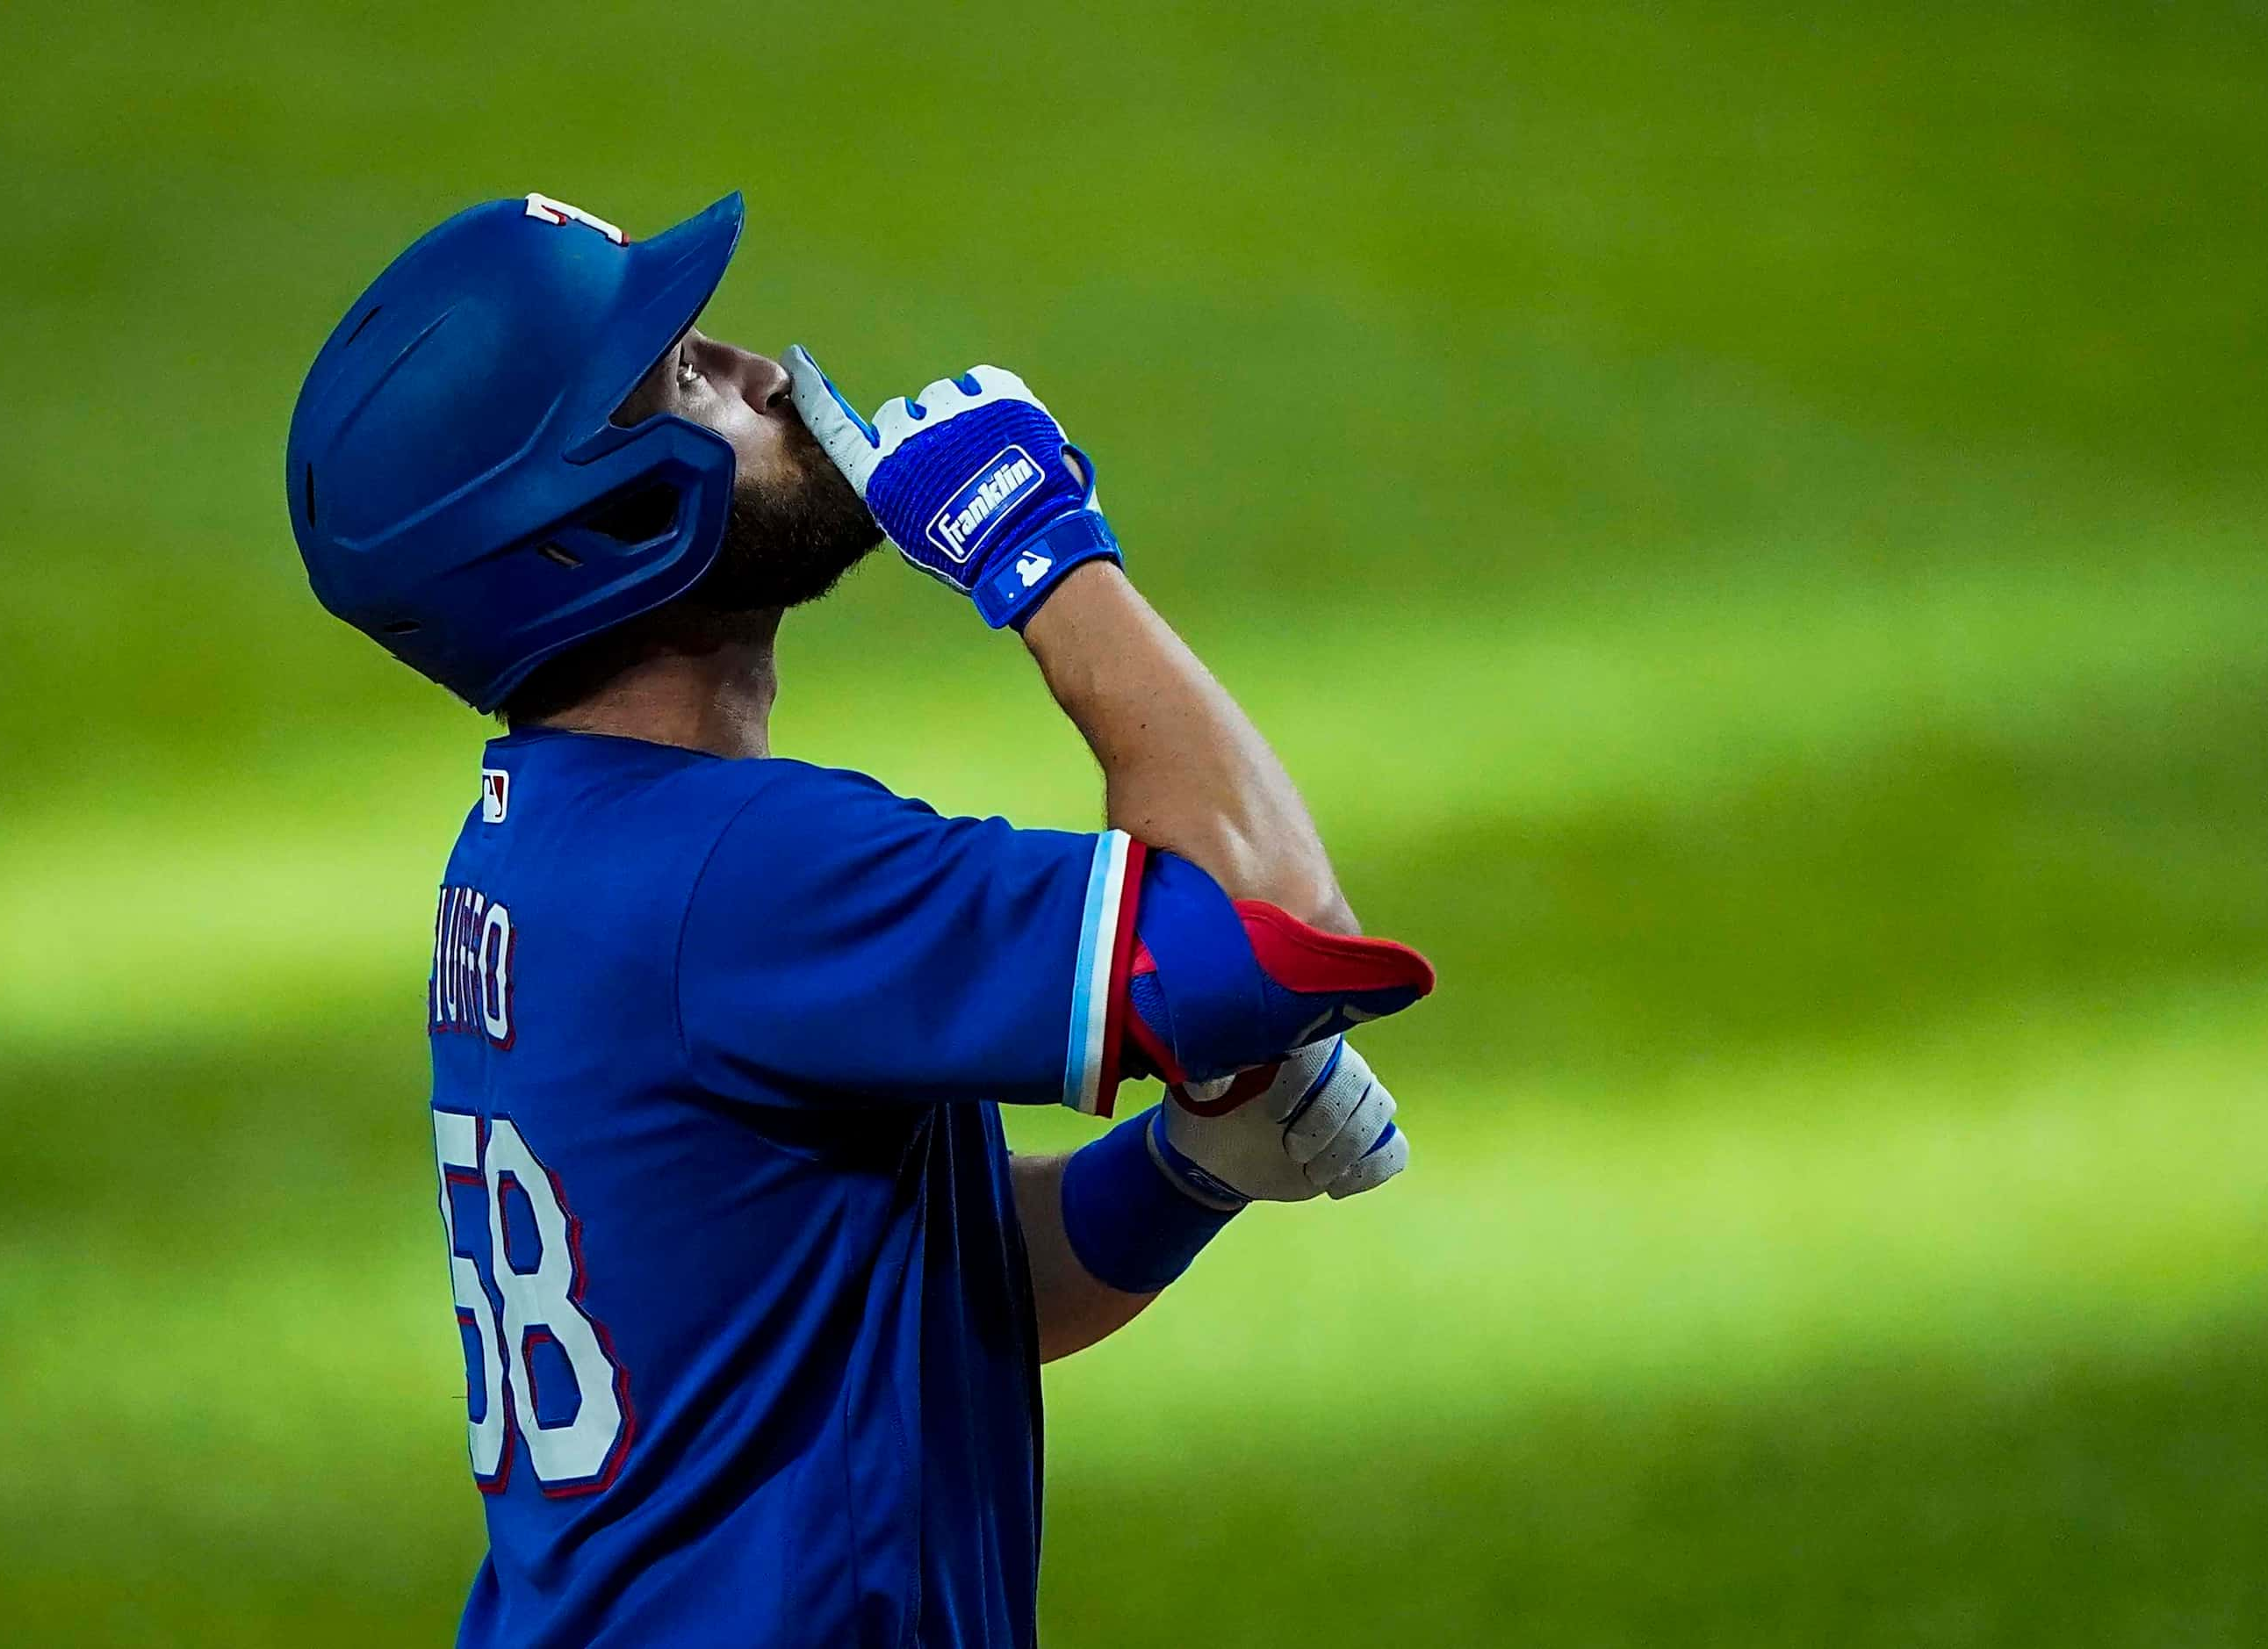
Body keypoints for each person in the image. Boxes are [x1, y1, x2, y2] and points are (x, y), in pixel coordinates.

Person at [285, 191, 1435, 1649]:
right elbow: (1270, 928)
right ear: (601, 523)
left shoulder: (535, 853)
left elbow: (922, 1295)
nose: (768, 373)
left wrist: (1190, 1168)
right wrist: (1040, 549)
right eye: (691, 378)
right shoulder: (747, 875)